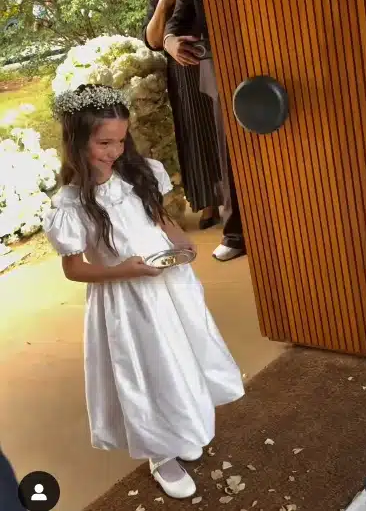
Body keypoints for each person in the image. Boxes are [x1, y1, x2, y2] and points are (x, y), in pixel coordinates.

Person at [43, 84, 244, 500]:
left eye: (120, 140)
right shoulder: (72, 203)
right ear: (77, 139)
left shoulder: (139, 172)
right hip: (127, 300)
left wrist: (180, 242)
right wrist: (125, 270)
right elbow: (75, 269)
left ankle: (182, 421)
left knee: (182, 355)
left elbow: (158, 216)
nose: (114, 151)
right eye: (104, 143)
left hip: (169, 285)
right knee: (149, 368)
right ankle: (159, 454)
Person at [164, 0, 245, 262]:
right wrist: (171, 41)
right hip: (221, 77)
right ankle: (236, 234)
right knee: (229, 157)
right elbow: (177, 21)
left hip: (278, 64)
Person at [142, 0, 222, 230]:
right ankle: (207, 202)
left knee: (217, 131)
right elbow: (152, 40)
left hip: (209, 65)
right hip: (181, 76)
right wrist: (164, 2)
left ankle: (231, 195)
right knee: (193, 137)